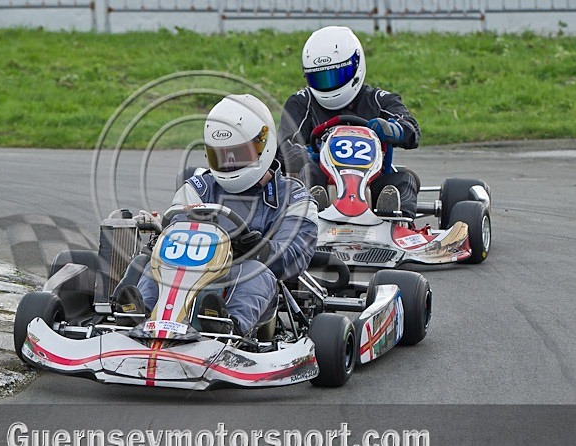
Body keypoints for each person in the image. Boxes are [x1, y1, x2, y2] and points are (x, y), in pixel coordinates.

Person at [117, 94, 318, 336]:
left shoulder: (295, 198)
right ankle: (140, 315)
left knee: (257, 271)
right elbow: (175, 235)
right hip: (190, 278)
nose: (230, 164)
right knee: (157, 262)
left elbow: (294, 256)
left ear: (264, 144)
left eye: (238, 154)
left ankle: (227, 325)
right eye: (221, 156)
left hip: (247, 286)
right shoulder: (198, 188)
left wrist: (257, 248)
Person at [276, 25, 422, 219]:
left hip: (374, 181)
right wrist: (310, 155)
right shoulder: (302, 102)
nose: (328, 85)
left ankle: (398, 223)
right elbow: (283, 147)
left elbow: (411, 129)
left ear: (356, 66)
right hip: (323, 179)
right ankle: (313, 211)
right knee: (309, 173)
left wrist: (391, 130)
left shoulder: (379, 99)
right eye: (320, 78)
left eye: (335, 76)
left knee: (406, 179)